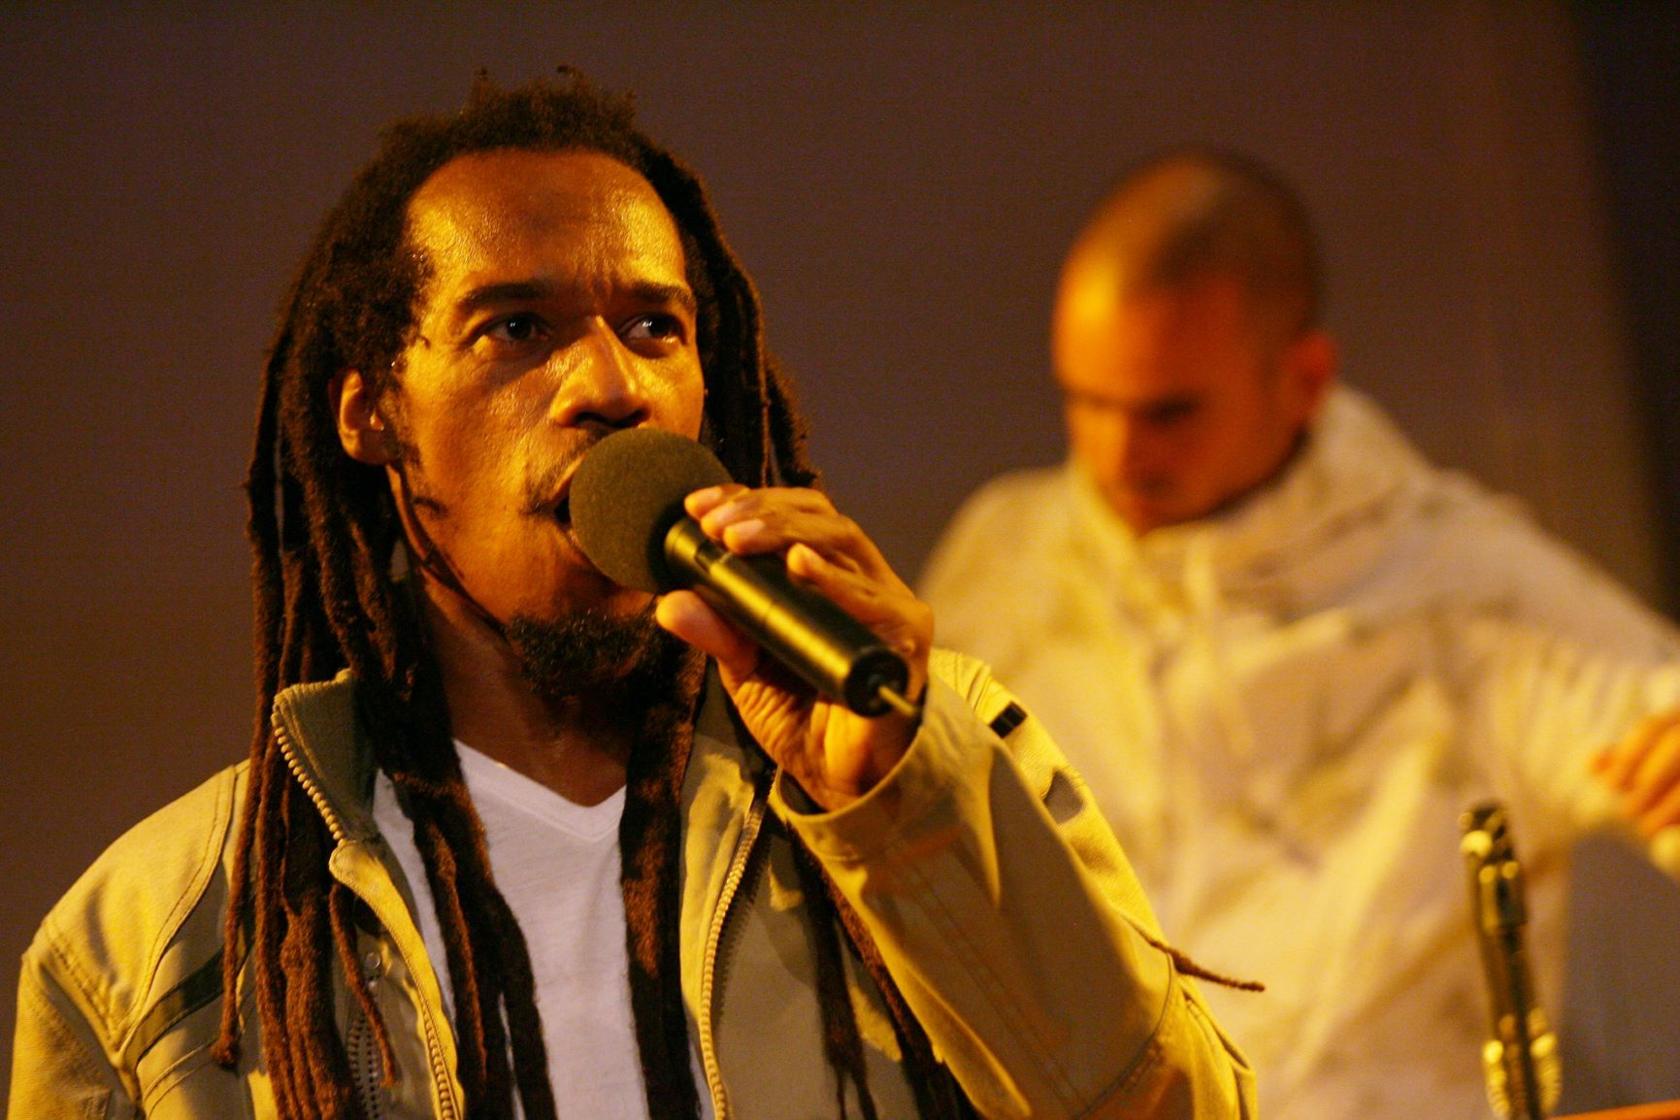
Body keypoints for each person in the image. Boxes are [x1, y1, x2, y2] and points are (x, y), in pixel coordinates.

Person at [8, 76, 1255, 1120]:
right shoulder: (157, 943)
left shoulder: (925, 758)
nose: (610, 383)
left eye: (657, 327)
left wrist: (902, 811)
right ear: (372, 414)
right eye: (516, 329)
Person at [921, 148, 1680, 1117]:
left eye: (1169, 412)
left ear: (1304, 377)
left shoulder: (1470, 589)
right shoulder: (1008, 549)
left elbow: (1661, 729)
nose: (1116, 455)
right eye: (1086, 403)